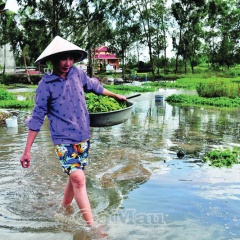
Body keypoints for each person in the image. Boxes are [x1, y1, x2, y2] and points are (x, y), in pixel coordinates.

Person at [20, 36, 126, 235]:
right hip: (62, 140)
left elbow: (95, 86)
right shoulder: (46, 85)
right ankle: (92, 226)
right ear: (52, 61)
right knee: (78, 178)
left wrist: (115, 95)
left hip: (83, 136)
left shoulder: (77, 74)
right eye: (62, 59)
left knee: (74, 178)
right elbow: (36, 118)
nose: (67, 63)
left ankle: (64, 206)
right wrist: (27, 151)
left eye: (70, 58)